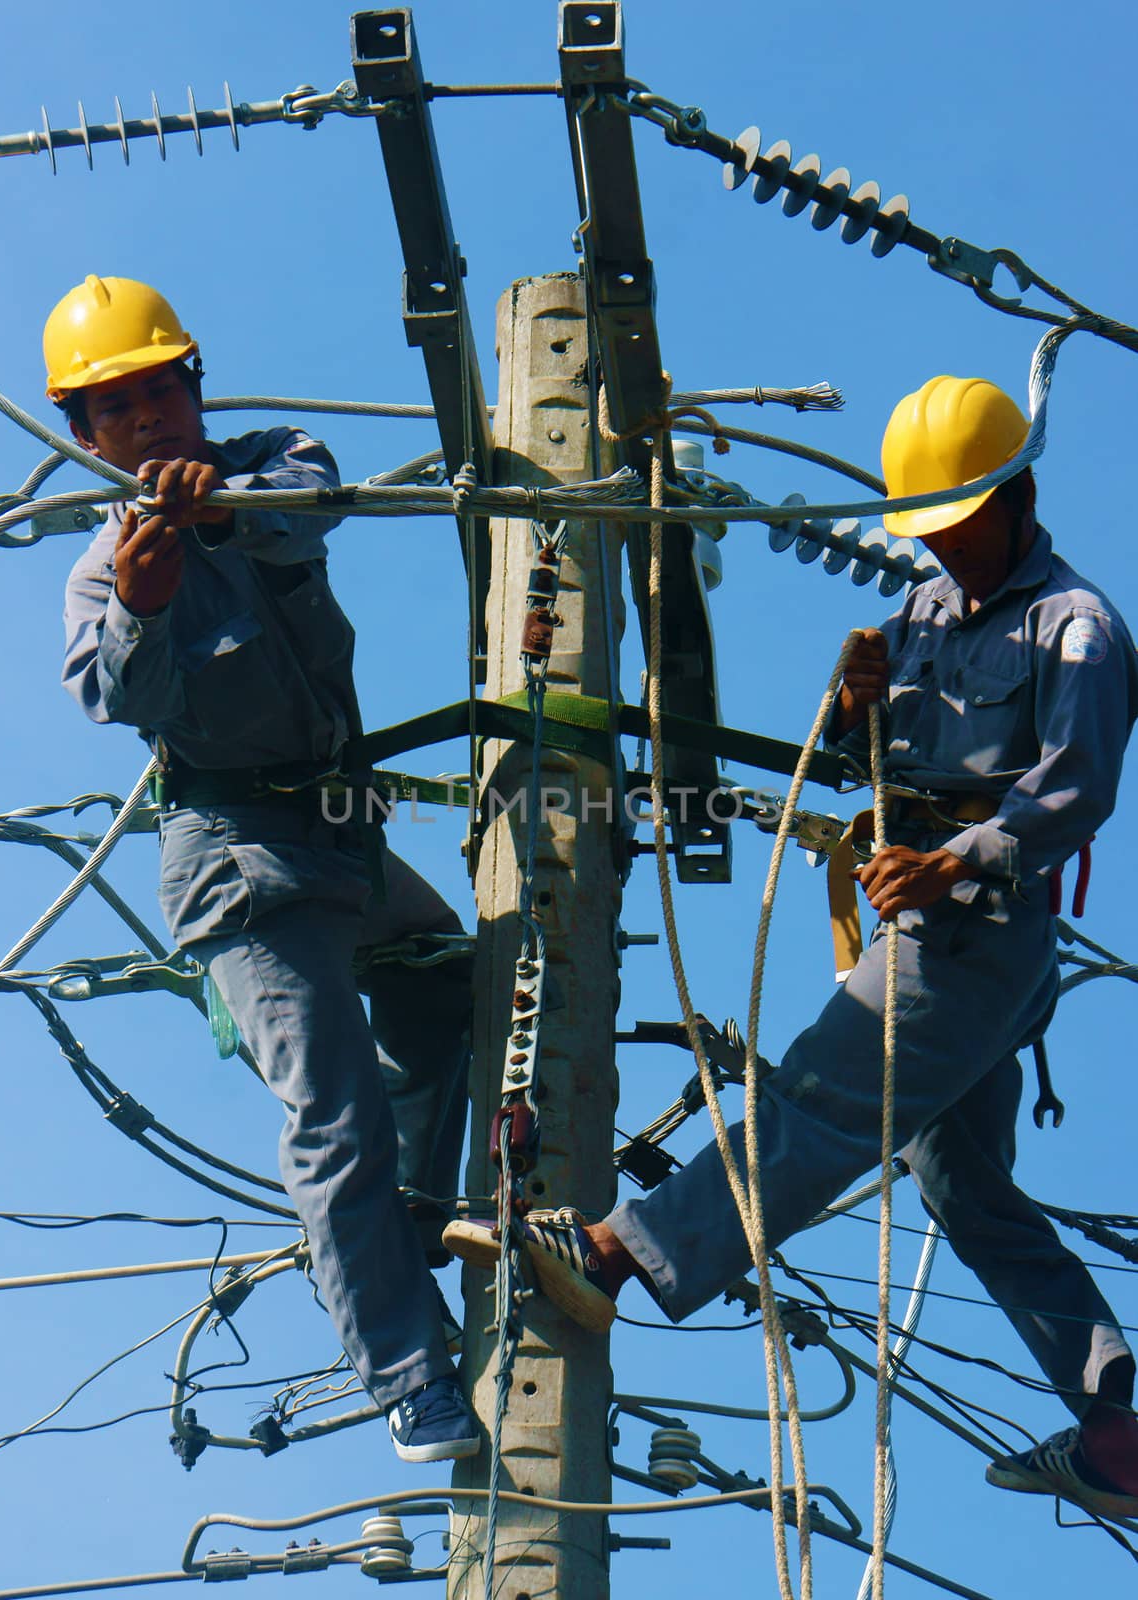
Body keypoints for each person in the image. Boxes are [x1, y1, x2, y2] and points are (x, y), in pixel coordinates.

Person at [444, 375, 1138, 1519]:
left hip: (973, 932)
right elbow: (868, 750)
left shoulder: (1076, 629)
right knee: (965, 1190)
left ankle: (616, 1256)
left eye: (961, 523)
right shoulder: (920, 611)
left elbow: (1070, 791)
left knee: (820, 1096)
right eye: (931, 529)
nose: (947, 548)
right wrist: (853, 698)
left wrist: (950, 862)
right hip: (924, 910)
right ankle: (1119, 1422)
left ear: (1014, 497)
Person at [52, 274, 480, 1463]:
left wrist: (221, 517)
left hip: (340, 839)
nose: (146, 418)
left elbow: (311, 503)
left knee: (454, 983)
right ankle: (407, 1377)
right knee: (331, 1113)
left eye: (158, 389)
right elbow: (115, 698)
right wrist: (145, 602)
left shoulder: (272, 458)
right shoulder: (100, 570)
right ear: (83, 438)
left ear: (195, 388)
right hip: (242, 864)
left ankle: (401, 1227)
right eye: (115, 408)